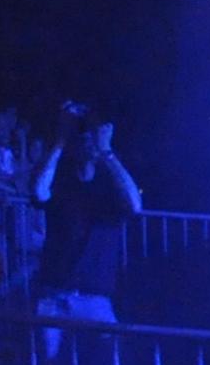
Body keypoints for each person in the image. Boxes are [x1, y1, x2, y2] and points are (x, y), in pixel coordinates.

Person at [33, 108, 142, 315]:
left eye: (92, 135)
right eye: (82, 135)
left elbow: (135, 205)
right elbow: (39, 192)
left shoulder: (109, 185)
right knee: (44, 337)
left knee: (105, 336)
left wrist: (107, 151)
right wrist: (60, 141)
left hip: (96, 295)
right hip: (55, 293)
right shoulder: (61, 180)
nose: (88, 141)